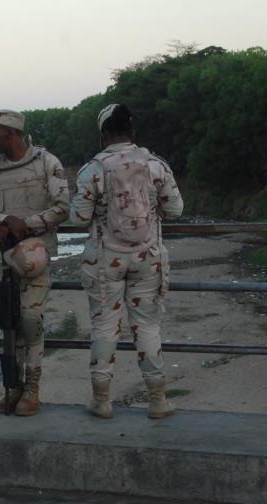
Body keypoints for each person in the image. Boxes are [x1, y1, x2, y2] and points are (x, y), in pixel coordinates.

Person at [71, 104, 184, 420]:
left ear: (104, 134)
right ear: (133, 132)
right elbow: (174, 210)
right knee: (147, 326)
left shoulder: (93, 169)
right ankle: (158, 400)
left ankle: (102, 400)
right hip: (148, 258)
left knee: (104, 327)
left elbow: (79, 217)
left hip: (106, 259)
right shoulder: (155, 165)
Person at [0, 109, 70, 416]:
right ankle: (13, 388)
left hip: (36, 256)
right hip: (4, 259)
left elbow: (62, 208)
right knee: (10, 322)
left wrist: (25, 224)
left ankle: (32, 388)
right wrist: (2, 221)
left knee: (31, 320)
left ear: (10, 133)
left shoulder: (47, 163)